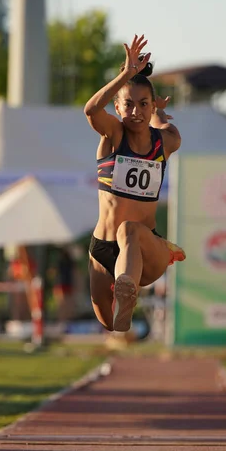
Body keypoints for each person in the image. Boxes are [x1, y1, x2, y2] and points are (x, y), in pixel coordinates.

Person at [84, 33, 186, 333]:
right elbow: (91, 110)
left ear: (151, 108)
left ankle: (128, 287)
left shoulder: (166, 142)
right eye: (127, 105)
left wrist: (158, 113)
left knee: (127, 229)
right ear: (117, 108)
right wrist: (127, 74)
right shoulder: (113, 136)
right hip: (102, 248)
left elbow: (163, 122)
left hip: (145, 247)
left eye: (143, 105)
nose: (135, 112)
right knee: (109, 322)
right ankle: (122, 297)